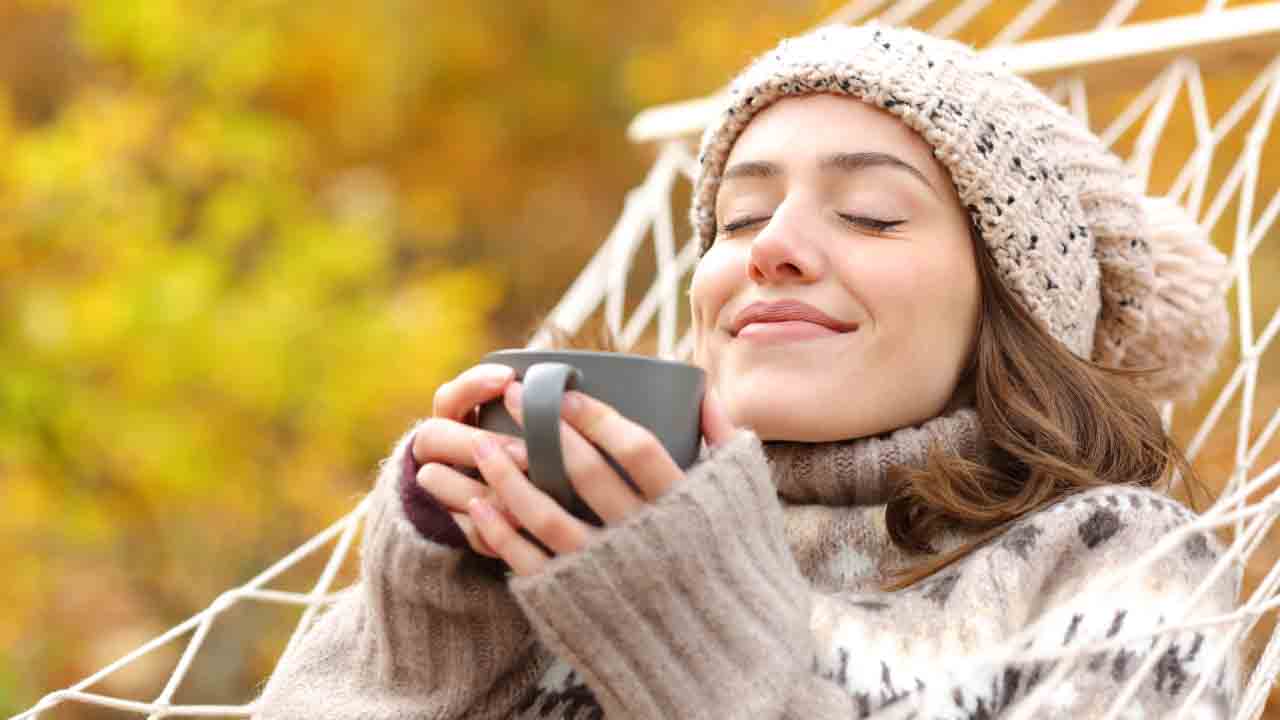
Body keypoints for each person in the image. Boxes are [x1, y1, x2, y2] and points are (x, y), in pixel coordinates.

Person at [253, 22, 1243, 719]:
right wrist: (431, 612)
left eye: (868, 213)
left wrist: (688, 631)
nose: (770, 248)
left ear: (1008, 308)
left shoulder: (1107, 562)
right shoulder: (574, 535)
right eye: (736, 218)